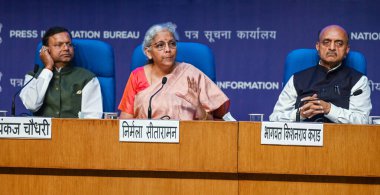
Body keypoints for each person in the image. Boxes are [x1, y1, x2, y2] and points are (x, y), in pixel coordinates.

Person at [118, 22, 230, 120]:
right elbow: (125, 122)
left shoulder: (191, 74)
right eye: (160, 45)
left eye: (172, 44)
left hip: (189, 139)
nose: (168, 50)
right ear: (148, 53)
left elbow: (212, 123)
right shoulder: (137, 76)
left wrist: (198, 107)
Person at [270, 25, 372, 124]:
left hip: (342, 139)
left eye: (339, 43)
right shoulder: (297, 79)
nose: (332, 47)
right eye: (326, 42)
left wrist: (329, 109)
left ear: (347, 50)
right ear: (318, 47)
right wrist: (301, 114)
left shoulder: (358, 80)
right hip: (303, 139)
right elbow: (274, 118)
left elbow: (362, 120)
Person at [20, 26, 103, 118]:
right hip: (43, 131)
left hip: (75, 131)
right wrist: (48, 68)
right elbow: (32, 105)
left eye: (69, 44)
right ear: (46, 50)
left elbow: (92, 119)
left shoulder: (87, 78)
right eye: (59, 45)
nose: (66, 48)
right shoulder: (32, 76)